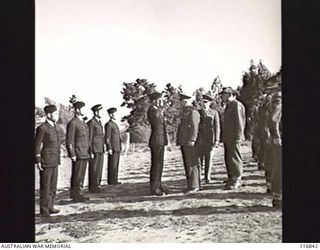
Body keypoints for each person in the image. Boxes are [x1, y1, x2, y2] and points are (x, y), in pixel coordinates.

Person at [35, 105, 61, 217]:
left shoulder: (55, 127)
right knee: (45, 185)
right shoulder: (42, 128)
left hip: (55, 160)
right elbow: (37, 145)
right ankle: (44, 210)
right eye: (55, 114)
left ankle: (50, 206)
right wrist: (38, 160)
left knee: (53, 186)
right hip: (46, 160)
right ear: (49, 115)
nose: (57, 116)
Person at [219, 87, 246, 190]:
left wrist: (239, 137)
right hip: (228, 137)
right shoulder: (229, 105)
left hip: (234, 137)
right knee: (229, 157)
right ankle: (231, 177)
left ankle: (237, 179)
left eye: (224, 94)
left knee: (235, 157)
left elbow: (239, 123)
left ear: (230, 94)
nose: (222, 96)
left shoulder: (236, 105)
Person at [66, 101, 90, 202]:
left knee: (81, 175)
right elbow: (70, 140)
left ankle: (79, 193)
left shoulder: (82, 122)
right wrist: (72, 154)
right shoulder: (73, 123)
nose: (84, 111)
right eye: (82, 108)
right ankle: (76, 195)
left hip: (84, 152)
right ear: (77, 110)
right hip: (78, 153)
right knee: (77, 175)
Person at [177, 93, 201, 193]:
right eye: (182, 101)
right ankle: (190, 185)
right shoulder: (185, 112)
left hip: (190, 142)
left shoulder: (193, 112)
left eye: (184, 101)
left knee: (192, 163)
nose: (182, 103)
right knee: (188, 164)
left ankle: (194, 186)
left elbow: (195, 127)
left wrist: (192, 139)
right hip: (184, 142)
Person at [147, 91, 168, 196]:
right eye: (160, 99)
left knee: (159, 165)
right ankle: (154, 188)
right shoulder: (153, 111)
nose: (162, 101)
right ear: (155, 100)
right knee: (156, 165)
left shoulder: (158, 110)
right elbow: (158, 123)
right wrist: (161, 110)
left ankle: (158, 185)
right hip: (156, 140)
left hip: (160, 140)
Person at [196, 94, 220, 184]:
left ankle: (207, 177)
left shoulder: (214, 113)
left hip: (210, 139)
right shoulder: (198, 112)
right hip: (201, 139)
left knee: (209, 159)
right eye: (203, 102)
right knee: (200, 159)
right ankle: (199, 176)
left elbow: (217, 127)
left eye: (206, 102)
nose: (205, 104)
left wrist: (217, 139)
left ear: (210, 103)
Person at [266, 92, 282, 208]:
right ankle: (278, 197)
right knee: (279, 168)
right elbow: (273, 120)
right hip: (280, 141)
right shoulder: (279, 99)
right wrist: (276, 136)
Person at [87, 104, 105, 193]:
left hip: (100, 148)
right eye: (100, 111)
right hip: (94, 148)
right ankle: (93, 186)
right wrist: (90, 150)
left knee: (99, 168)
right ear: (96, 112)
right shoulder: (92, 122)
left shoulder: (99, 122)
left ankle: (97, 184)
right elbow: (89, 137)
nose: (101, 113)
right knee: (94, 168)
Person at [105, 107, 122, 185]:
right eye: (115, 114)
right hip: (113, 148)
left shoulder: (114, 124)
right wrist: (109, 147)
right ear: (111, 115)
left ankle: (115, 179)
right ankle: (111, 180)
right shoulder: (109, 124)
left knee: (116, 164)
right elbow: (107, 137)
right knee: (112, 164)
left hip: (117, 147)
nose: (116, 115)